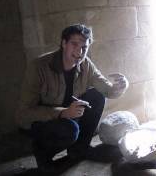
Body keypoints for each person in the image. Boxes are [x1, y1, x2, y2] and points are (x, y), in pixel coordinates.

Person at [16, 24, 129, 172]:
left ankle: (80, 149)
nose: (79, 51)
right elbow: (23, 114)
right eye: (74, 44)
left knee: (97, 96)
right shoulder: (39, 67)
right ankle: (43, 154)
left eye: (84, 47)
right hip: (42, 122)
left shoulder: (86, 65)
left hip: (68, 116)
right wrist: (62, 113)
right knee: (70, 130)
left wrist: (120, 87)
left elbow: (106, 89)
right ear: (63, 43)